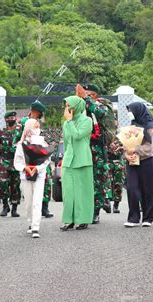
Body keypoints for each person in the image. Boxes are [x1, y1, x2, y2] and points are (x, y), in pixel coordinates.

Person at [77, 83, 116, 223]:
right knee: (83, 180)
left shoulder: (102, 105)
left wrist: (86, 98)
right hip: (82, 147)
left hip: (96, 149)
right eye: (85, 93)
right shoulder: (81, 106)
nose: (86, 96)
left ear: (95, 95)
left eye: (90, 94)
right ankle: (84, 209)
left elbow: (100, 113)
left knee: (97, 180)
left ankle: (95, 211)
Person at [60, 96, 94, 231]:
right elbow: (67, 142)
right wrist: (64, 158)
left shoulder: (87, 121)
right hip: (69, 161)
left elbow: (78, 135)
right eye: (66, 105)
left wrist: (69, 122)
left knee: (82, 192)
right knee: (68, 192)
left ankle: (83, 219)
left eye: (69, 105)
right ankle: (69, 220)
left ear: (77, 107)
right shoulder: (66, 124)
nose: (67, 108)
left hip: (82, 160)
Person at [14, 119, 51, 238]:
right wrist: (25, 168)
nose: (37, 129)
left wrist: (37, 168)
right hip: (25, 176)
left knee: (37, 201)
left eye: (38, 126)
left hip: (39, 175)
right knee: (28, 202)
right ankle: (31, 222)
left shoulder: (43, 143)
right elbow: (17, 161)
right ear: (29, 128)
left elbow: (46, 160)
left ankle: (36, 227)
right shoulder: (21, 144)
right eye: (35, 126)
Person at [124, 102, 153, 228]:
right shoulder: (132, 126)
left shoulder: (150, 127)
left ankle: (148, 218)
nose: (129, 113)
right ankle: (133, 218)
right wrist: (126, 154)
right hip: (132, 161)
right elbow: (126, 144)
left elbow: (151, 147)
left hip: (146, 161)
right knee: (132, 188)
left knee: (147, 190)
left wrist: (136, 149)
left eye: (131, 110)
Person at [20, 100, 54, 218]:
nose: (41, 115)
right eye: (40, 113)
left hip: (41, 155)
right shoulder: (24, 122)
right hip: (30, 157)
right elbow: (19, 140)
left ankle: (44, 207)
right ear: (35, 112)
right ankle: (33, 210)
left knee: (46, 181)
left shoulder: (38, 122)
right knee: (31, 183)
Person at [0, 111, 21, 217]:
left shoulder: (19, 131)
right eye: (9, 117)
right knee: (3, 183)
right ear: (6, 120)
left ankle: (14, 208)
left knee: (15, 186)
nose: (11, 119)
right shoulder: (1, 132)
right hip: (3, 161)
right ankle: (5, 206)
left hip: (16, 162)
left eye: (13, 117)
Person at [108, 138, 125, 213]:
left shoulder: (122, 137)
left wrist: (122, 148)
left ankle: (116, 205)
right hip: (108, 163)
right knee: (107, 184)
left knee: (118, 185)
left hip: (118, 163)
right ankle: (106, 204)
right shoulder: (105, 136)